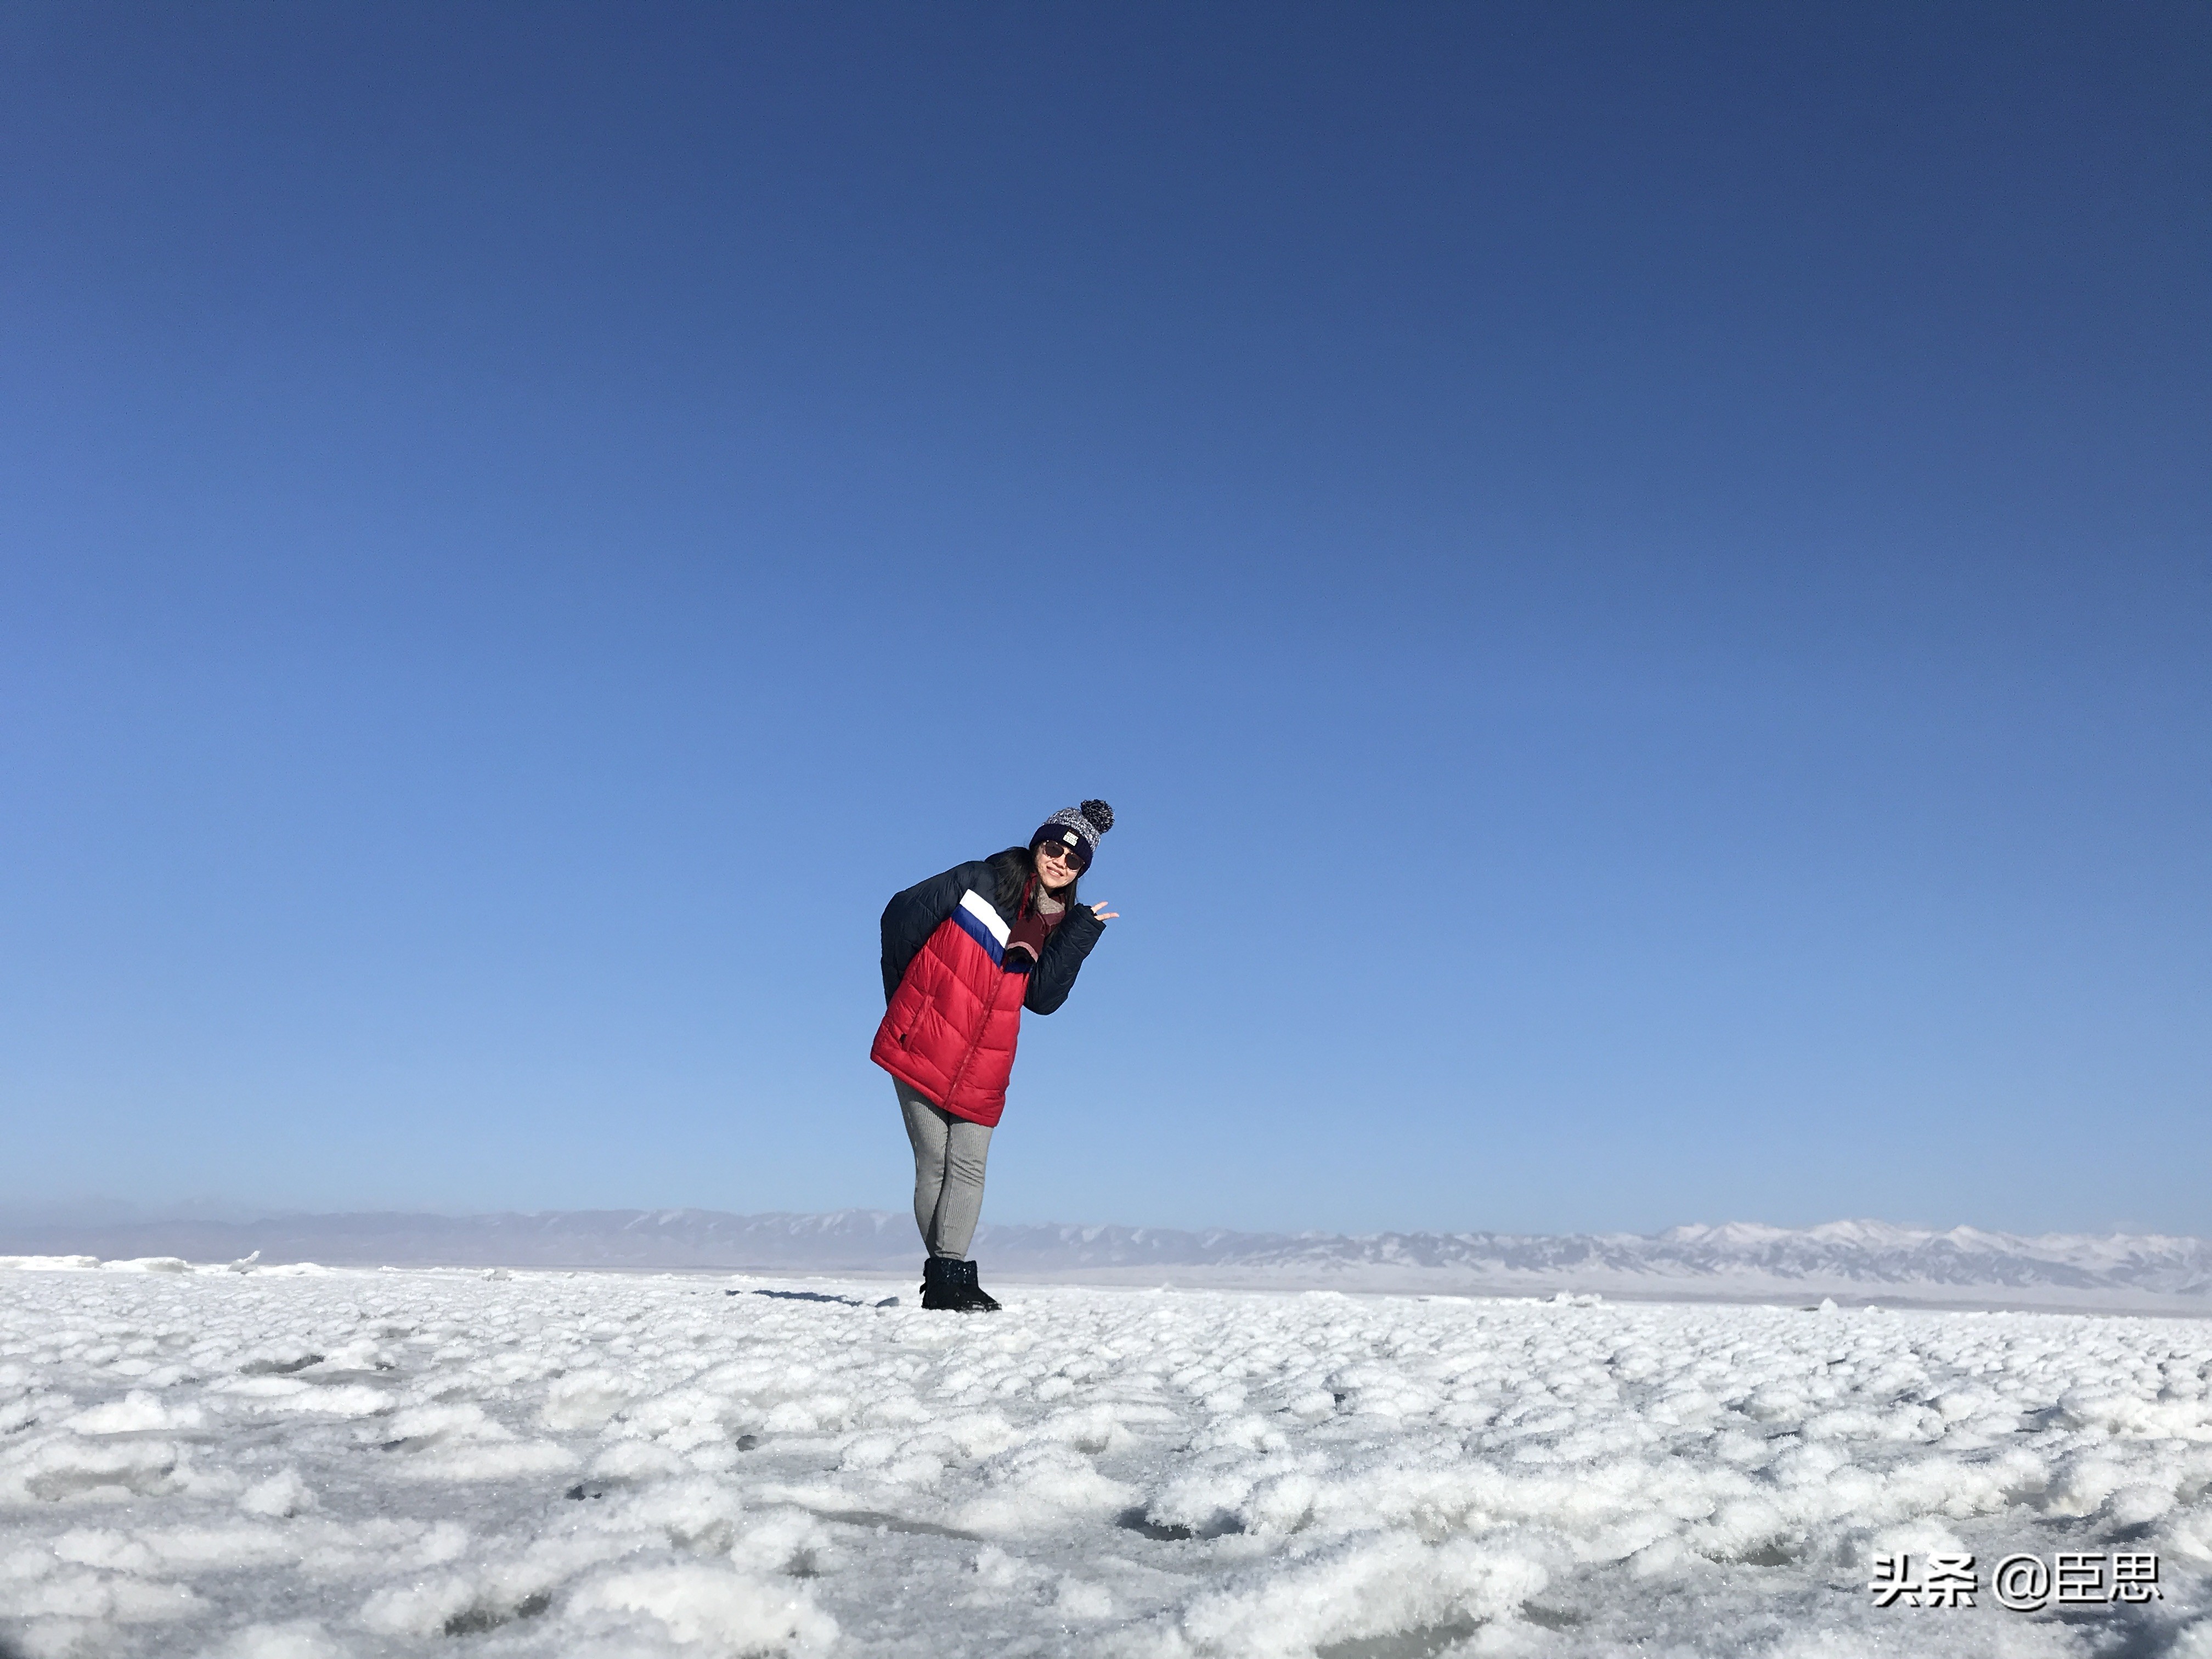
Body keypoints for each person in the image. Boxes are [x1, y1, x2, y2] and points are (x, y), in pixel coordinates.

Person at [872, 801, 1118, 1311]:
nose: (1060, 863)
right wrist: (907, 1000)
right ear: (1038, 843)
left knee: (968, 1167)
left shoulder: (1058, 923)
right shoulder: (980, 879)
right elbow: (899, 914)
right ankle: (947, 1279)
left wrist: (1080, 935)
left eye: (1074, 861)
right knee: (935, 1161)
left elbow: (1043, 999)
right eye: (1055, 848)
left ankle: (949, 1279)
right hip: (925, 1036)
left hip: (985, 1055)